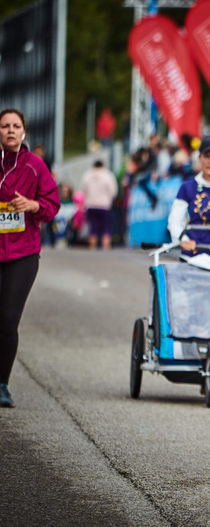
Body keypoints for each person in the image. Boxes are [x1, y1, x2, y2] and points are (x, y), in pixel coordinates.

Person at [0, 108, 61, 408]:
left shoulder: (35, 165)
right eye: (4, 126)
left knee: (8, 319)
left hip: (23, 254)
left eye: (16, 126)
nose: (10, 131)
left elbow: (53, 205)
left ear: (23, 132)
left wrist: (33, 205)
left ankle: (2, 384)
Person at [80, 159, 118, 250]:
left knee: (92, 228)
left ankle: (92, 248)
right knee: (106, 228)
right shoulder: (108, 175)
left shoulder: (87, 175)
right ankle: (106, 249)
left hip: (91, 205)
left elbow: (83, 190)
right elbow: (113, 191)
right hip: (104, 205)